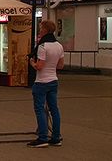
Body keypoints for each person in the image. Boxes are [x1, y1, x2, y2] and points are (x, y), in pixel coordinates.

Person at [26, 20, 64, 148]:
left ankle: (42, 138)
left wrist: (32, 62)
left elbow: (39, 66)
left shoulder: (43, 47)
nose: (40, 30)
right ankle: (56, 137)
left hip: (41, 82)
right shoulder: (59, 46)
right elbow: (61, 65)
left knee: (40, 109)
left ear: (46, 30)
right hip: (53, 81)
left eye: (41, 28)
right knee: (54, 109)